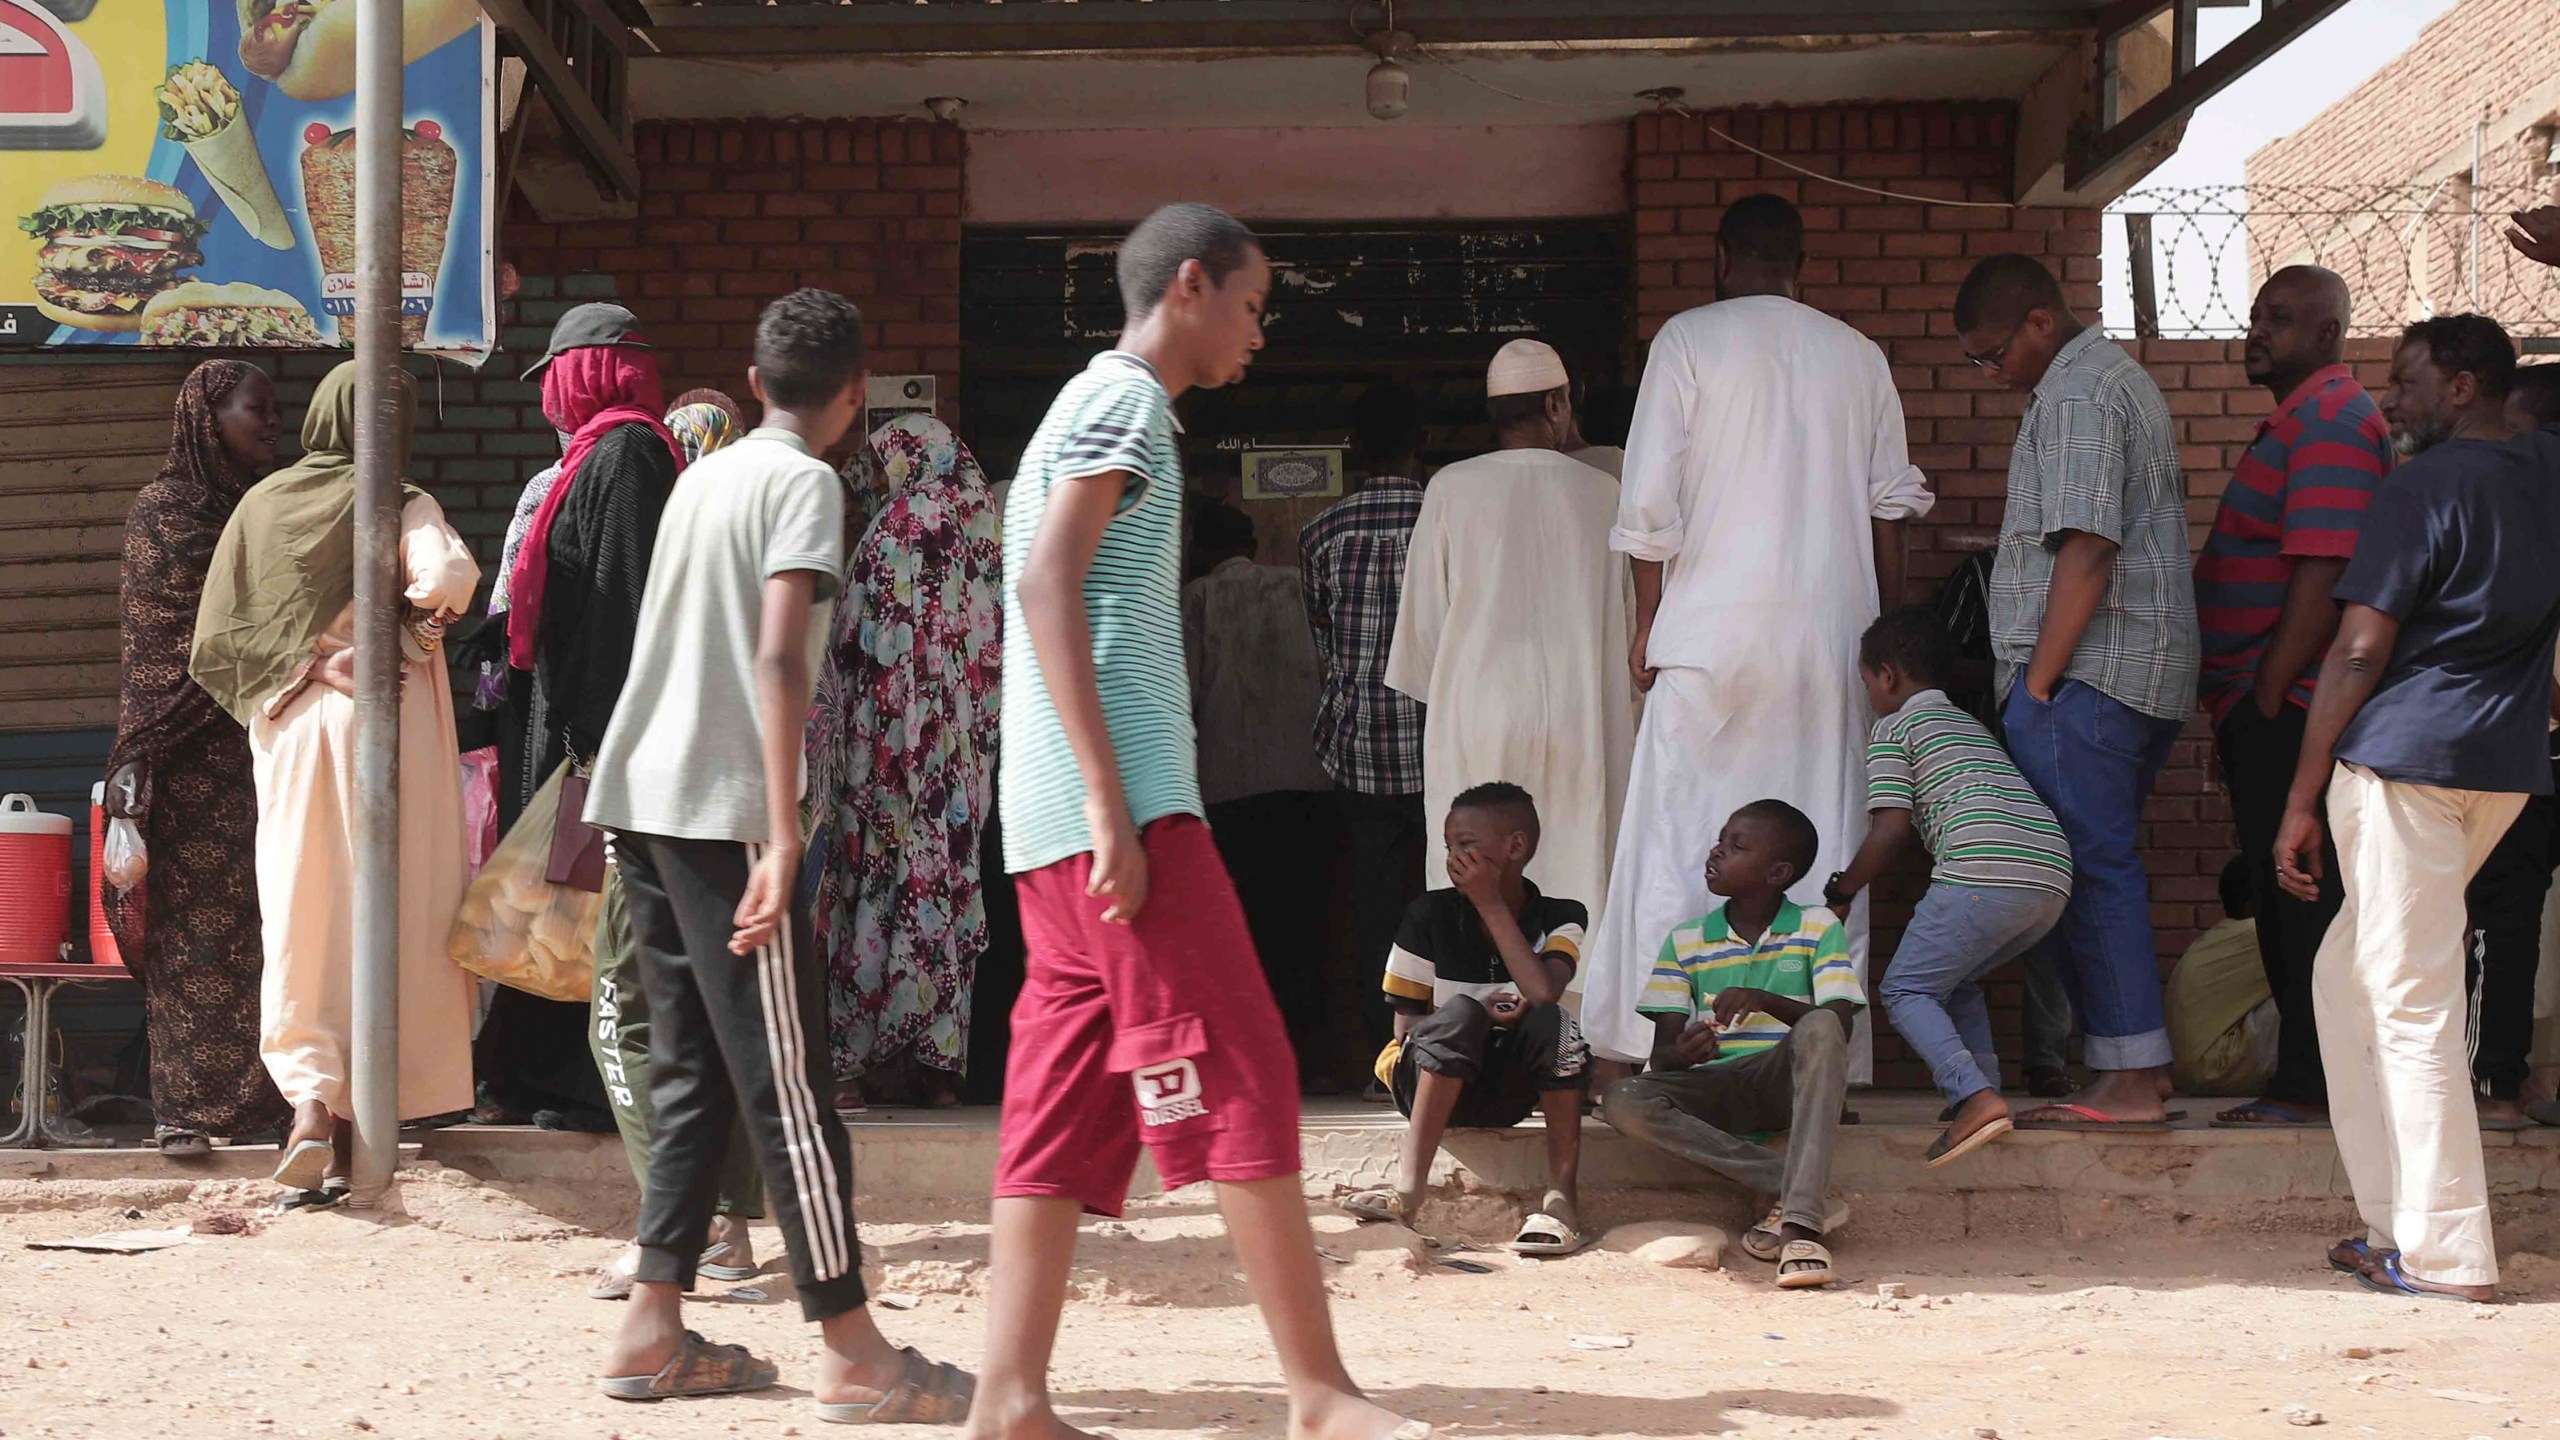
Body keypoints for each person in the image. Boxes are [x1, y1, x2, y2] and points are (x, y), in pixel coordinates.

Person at [973, 203, 1414, 1440]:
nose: (1260, 334)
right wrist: (1118, 805)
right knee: (1247, 1067)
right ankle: (1318, 1394)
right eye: (1254, 303)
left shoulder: (1089, 407)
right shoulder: (1119, 406)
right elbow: (1047, 580)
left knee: (1056, 1101)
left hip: (1051, 821)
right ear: (1189, 287)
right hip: (1118, 815)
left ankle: (1009, 1398)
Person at [582, 289, 972, 1416]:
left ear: (754, 383)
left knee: (694, 1066)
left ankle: (650, 1330)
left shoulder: (703, 476)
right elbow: (778, 657)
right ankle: (855, 1350)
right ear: (854, 395)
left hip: (643, 800)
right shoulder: (806, 485)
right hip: (722, 808)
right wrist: (784, 829)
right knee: (790, 1083)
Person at [1584, 194, 1933, 1085]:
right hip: (1831, 640)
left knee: (1682, 839)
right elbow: (1890, 505)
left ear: (1720, 256)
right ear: (1801, 262)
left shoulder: (1689, 341)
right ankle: (1823, 1067)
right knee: (1822, 845)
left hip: (1709, 637)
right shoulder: (1858, 356)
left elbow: (1648, 507)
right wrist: (1887, 637)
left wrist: (1646, 622)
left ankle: (1653, 1051)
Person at [2272, 314, 2560, 1304]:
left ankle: (2444, 1257)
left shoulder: (2418, 486)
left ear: (2467, 384)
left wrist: (2298, 798)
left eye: (2406, 380)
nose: (2390, 401)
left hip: (2406, 767)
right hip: (2502, 772)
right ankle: (2394, 1224)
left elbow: (2355, 651)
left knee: (2405, 1003)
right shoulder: (2545, 477)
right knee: (2346, 978)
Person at [189, 361, 481, 1195]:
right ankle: (362, 1120)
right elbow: (449, 582)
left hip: (289, 725)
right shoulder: (403, 502)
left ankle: (309, 1103)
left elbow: (221, 637)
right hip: (384, 726)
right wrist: (403, 645)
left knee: (302, 907)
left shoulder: (262, 506)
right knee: (386, 908)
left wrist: (313, 664)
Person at [1956, 253, 2197, 1129]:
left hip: (2089, 677)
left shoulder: (2075, 392)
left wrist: (2040, 684)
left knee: (2090, 871)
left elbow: (2086, 548)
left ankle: (2132, 1076)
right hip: (2129, 672)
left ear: (2039, 324)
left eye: (1993, 355)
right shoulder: (2110, 379)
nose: (1992, 375)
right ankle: (2134, 1068)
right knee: (2098, 866)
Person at [2191, 266, 2391, 1131]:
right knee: (2284, 900)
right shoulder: (2302, 419)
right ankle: (2308, 1082)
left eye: (2280, 319)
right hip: (2263, 702)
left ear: (2330, 334)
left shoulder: (2333, 423)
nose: (2257, 331)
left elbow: (2325, 573)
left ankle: (2309, 1086)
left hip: (2297, 707)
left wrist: (2266, 699)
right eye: (2256, 316)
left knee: (2299, 897)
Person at [480, 301, 686, 1132]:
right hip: (570, 721)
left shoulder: (630, 455)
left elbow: (622, 608)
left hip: (595, 731)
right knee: (560, 907)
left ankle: (584, 1085)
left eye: (554, 378)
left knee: (586, 906)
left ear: (592, 372)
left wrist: (601, 742)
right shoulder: (599, 458)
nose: (547, 398)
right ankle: (530, 1073)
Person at [587, 383, 766, 1301]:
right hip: (735, 810)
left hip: (670, 805)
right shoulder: (753, 541)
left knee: (624, 1015)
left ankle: (685, 1228)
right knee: (709, 1021)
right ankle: (718, 1228)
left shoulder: (662, 540)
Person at [102, 360, 292, 1157]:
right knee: (187, 939)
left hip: (252, 750)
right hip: (178, 754)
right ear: (205, 417)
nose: (271, 424)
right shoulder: (167, 511)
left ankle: (260, 1104)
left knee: (255, 926)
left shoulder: (253, 508)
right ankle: (185, 1111)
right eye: (256, 409)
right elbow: (180, 644)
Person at [1385, 338, 1632, 942]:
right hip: (1581, 719)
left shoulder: (1450, 487)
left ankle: (1477, 1018)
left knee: (1480, 872)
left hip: (1480, 718)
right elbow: (1630, 636)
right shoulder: (1603, 493)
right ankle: (1574, 1019)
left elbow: (1421, 642)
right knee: (1580, 864)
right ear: (1556, 404)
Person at [1823, 608, 2071, 1168]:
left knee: (1905, 989)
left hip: (1984, 871)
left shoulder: (1894, 728)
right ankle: (1982, 1090)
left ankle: (1974, 1097)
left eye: (1865, 683)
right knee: (1952, 979)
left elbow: (1889, 830)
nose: (1868, 696)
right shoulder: (1966, 723)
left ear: (1887, 676)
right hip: (2050, 876)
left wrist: (1843, 889)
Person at [805, 413, 1004, 1108]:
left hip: (892, 758)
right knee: (942, 898)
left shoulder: (899, 528)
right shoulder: (981, 526)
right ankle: (936, 1070)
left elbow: (865, 646)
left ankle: (857, 1067)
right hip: (958, 767)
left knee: (877, 895)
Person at [1602, 800, 1860, 1290]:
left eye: (1736, 846)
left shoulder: (1817, 926)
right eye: (1720, 840)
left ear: (1777, 872)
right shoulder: (1686, 940)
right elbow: (1662, 1055)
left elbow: (1839, 1025)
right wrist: (1685, 1051)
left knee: (1822, 1026)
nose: (1716, 852)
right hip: (1714, 1089)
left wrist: (1764, 999)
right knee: (1623, 1098)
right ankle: (1793, 1185)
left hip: (1782, 1081)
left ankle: (1801, 1227)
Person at [1339, 783, 1591, 1252]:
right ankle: (1409, 1191)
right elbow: (1406, 1032)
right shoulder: (1428, 914)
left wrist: (1490, 904)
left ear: (1515, 847)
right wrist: (1478, 1016)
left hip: (1504, 1093)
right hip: (1428, 1086)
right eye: (1450, 845)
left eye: (1468, 845)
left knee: (1555, 1024)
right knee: (1459, 1013)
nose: (1455, 856)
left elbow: (1541, 991)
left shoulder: (1562, 915)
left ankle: (1561, 1200)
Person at [1301, 383, 1430, 1098]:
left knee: (1373, 909)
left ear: (1354, 449)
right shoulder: (1446, 516)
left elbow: (1322, 634)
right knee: (1446, 899)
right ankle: (1445, 1053)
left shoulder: (1320, 532)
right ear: (1422, 448)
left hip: (1356, 748)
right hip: (1442, 745)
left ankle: (1377, 1061)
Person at [1184, 502, 1338, 1082]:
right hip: (1308, 784)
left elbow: (1187, 695)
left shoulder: (1198, 597)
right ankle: (1311, 1060)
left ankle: (1250, 1062)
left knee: (1243, 929)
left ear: (1200, 546)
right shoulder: (1298, 589)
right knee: (1304, 927)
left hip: (1229, 789)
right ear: (1252, 542)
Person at [1932, 546, 2077, 1095]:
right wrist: (2020, 670)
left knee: (2053, 917)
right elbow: (1935, 664)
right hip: (1984, 773)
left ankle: (2044, 1058)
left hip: (2062, 763)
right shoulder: (1982, 572)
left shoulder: (2102, 563)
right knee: (1962, 929)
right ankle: (1970, 1078)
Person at [2463, 362, 2560, 1130]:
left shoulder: (2523, 513)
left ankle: (2498, 1081)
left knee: (2503, 916)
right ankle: (2504, 1079)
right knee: (2508, 917)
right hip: (2530, 746)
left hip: (2529, 746)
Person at [2166, 859, 2276, 1099]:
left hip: (2194, 1073)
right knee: (2315, 984)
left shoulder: (2222, 937)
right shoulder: (2258, 935)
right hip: (2217, 1069)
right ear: (2252, 906)